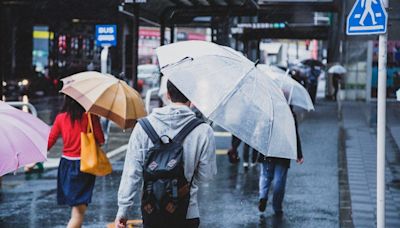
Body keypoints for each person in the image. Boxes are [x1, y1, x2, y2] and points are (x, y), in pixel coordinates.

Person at [115, 80, 217, 228]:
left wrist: (123, 211)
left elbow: (132, 173)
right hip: (187, 212)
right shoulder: (204, 130)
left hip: (152, 211)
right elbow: (206, 176)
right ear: (191, 96)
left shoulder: (143, 127)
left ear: (168, 95)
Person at [48, 95, 105, 228]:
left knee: (76, 209)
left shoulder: (61, 118)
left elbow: (50, 141)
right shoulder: (90, 117)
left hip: (66, 165)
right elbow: (101, 141)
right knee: (78, 213)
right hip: (84, 165)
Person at [258, 108, 304, 216]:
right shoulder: (290, 114)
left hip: (267, 150)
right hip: (283, 151)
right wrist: (298, 154)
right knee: (279, 180)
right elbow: (294, 135)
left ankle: (263, 196)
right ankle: (277, 206)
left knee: (265, 175)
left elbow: (260, 131)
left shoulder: (266, 110)